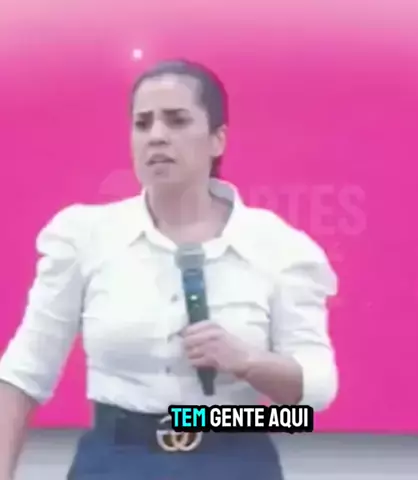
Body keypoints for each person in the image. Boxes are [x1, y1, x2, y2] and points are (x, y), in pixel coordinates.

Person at [0, 59, 339, 480]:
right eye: (142, 124)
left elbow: (312, 398)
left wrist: (248, 362)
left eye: (177, 120)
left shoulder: (279, 247)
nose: (157, 136)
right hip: (116, 460)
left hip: (233, 460)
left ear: (217, 139)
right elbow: (24, 374)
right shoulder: (84, 236)